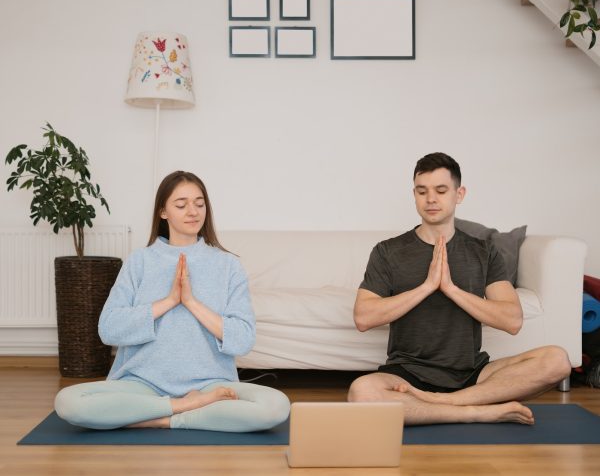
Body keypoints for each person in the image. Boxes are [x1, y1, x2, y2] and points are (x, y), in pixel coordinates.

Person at [55, 171, 290, 431]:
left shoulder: (228, 265)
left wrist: (190, 302)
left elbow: (244, 338)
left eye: (199, 204)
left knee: (276, 406)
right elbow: (108, 329)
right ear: (163, 212)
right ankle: (185, 408)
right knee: (68, 402)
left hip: (210, 384)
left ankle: (155, 418)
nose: (193, 211)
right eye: (181, 204)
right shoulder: (139, 261)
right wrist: (168, 301)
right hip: (141, 384)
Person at [348, 153, 571, 425]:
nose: (431, 199)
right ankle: (476, 410)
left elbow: (512, 320)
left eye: (441, 190)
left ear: (459, 194)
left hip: (472, 373)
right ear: (414, 195)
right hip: (407, 374)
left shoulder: (483, 252)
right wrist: (428, 286)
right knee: (362, 392)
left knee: (558, 360)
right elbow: (363, 317)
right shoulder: (388, 251)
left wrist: (451, 289)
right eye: (422, 191)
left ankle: (443, 404)